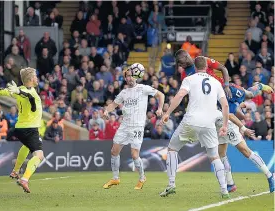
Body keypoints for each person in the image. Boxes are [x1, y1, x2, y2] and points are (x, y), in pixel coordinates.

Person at [159, 56, 230, 198]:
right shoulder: (216, 82)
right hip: (209, 124)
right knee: (215, 157)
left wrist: (167, 113)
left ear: (195, 67)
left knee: (172, 148)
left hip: (191, 121)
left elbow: (180, 96)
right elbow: (225, 105)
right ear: (206, 67)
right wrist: (225, 125)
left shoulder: (189, 79)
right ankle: (224, 190)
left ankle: (171, 184)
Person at [0, 67, 43, 193]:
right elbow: (28, 96)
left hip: (20, 128)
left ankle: (15, 171)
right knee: (39, 156)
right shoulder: (28, 92)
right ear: (30, 79)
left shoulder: (23, 90)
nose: (36, 78)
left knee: (26, 147)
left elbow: (2, 91)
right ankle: (24, 179)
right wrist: (18, 92)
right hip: (30, 129)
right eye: (35, 76)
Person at [102, 65, 165, 190]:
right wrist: (106, 111)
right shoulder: (124, 93)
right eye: (127, 76)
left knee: (134, 154)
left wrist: (159, 108)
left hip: (137, 126)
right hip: (124, 125)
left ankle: (142, 178)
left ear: (136, 77)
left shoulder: (143, 88)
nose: (129, 78)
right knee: (114, 151)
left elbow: (161, 95)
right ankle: (115, 178)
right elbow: (114, 104)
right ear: (125, 79)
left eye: (131, 76)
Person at [215, 110, 274, 193]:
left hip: (226, 126)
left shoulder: (213, 104)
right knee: (221, 154)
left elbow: (231, 115)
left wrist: (244, 129)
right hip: (217, 129)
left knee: (246, 151)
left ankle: (269, 176)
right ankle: (230, 184)